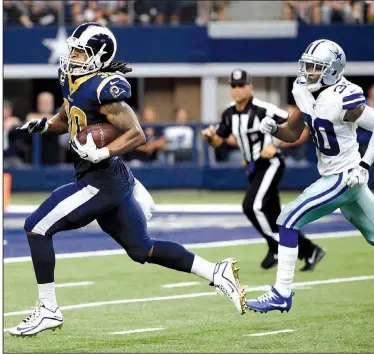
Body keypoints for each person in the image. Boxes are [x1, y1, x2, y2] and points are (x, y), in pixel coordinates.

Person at [10, 22, 246, 337]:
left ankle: (48, 309)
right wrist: (44, 124)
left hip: (100, 180)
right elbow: (69, 113)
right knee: (142, 249)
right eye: (74, 49)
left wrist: (100, 153)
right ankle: (216, 272)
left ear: (98, 56)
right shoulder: (72, 78)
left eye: (80, 51)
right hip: (110, 179)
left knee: (36, 226)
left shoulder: (105, 89)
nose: (73, 55)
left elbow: (137, 135)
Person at [246, 39, 374, 313]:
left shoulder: (345, 97)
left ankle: (281, 293)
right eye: (308, 65)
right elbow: (293, 131)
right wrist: (275, 130)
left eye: (316, 67)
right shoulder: (304, 90)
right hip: (337, 174)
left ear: (332, 70)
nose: (309, 71)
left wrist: (364, 165)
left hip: (345, 176)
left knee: (288, 218)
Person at [201, 68, 325, 272]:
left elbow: (294, 125)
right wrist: (209, 137)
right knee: (276, 217)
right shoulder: (229, 113)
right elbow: (218, 141)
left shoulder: (262, 109)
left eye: (241, 85)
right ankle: (310, 250)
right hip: (253, 168)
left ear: (250, 87)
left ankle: (278, 247)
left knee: (252, 206)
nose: (237, 90)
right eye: (234, 86)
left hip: (270, 164)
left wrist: (275, 144)